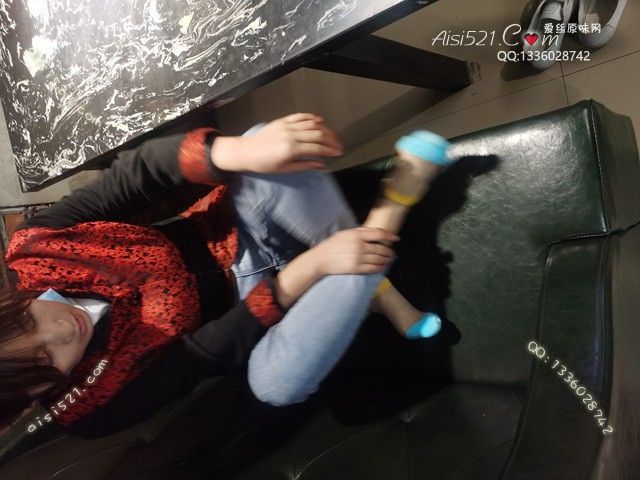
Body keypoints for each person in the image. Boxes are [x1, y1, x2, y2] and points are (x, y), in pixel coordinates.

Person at [0, 113, 445, 437]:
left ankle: (371, 278)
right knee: (277, 385)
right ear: (26, 405)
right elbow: (201, 356)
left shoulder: (35, 248)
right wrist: (309, 269)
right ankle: (390, 212)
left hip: (238, 231)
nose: (61, 330)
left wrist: (239, 151)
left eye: (27, 322)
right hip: (255, 316)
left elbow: (135, 176)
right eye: (45, 362)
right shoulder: (87, 408)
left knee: (254, 146)